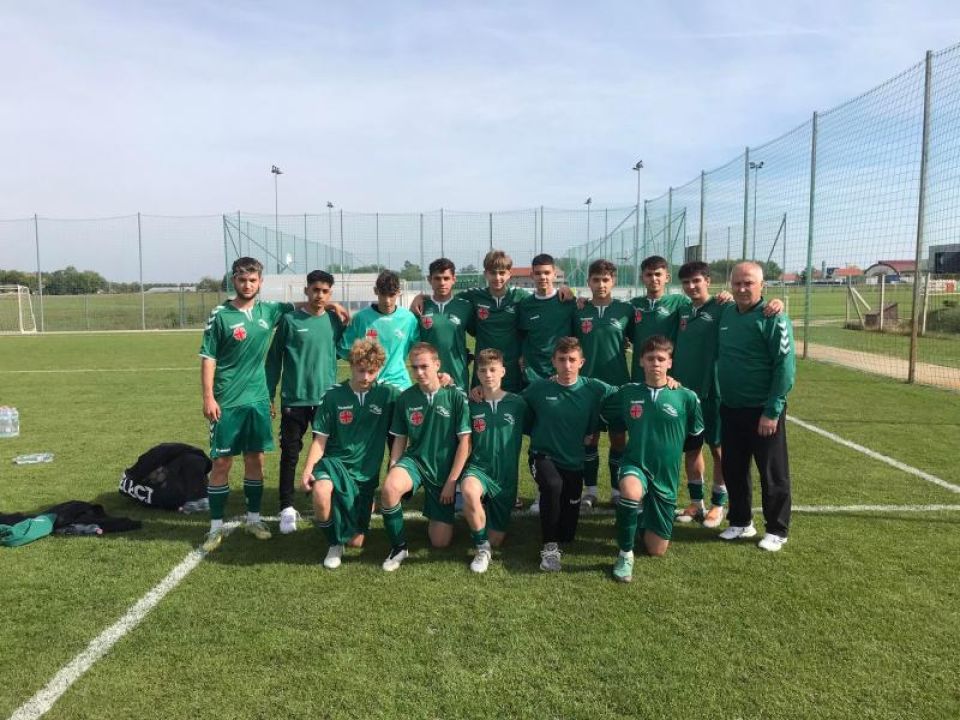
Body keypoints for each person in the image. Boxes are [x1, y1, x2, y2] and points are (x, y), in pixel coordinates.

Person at [198, 257, 295, 552]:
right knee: (222, 462)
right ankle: (215, 526)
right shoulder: (220, 315)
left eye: (253, 280)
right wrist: (208, 396)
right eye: (242, 280)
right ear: (234, 281)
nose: (248, 285)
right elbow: (208, 357)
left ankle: (254, 519)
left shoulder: (270, 311)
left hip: (258, 400)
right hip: (226, 400)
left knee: (256, 460)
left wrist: (334, 306)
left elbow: (306, 307)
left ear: (260, 282)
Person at [602, 336, 704, 582]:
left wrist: (697, 496)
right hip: (635, 464)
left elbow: (695, 446)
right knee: (630, 492)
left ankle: (638, 516)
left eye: (661, 359)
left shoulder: (687, 398)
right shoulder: (627, 393)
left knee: (656, 550)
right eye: (650, 359)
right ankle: (625, 554)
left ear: (670, 363)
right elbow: (606, 413)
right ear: (641, 362)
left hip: (666, 476)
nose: (655, 363)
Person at [299, 339, 399, 569]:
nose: (366, 377)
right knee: (321, 492)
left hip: (365, 473)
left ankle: (357, 507)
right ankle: (334, 543)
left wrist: (444, 381)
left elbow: (418, 395)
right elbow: (320, 440)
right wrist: (307, 470)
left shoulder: (387, 394)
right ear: (351, 365)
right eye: (361, 370)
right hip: (334, 463)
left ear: (379, 369)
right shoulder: (333, 396)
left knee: (356, 542)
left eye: (371, 372)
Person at [716, 262, 795, 552]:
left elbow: (785, 367)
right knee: (734, 468)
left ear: (762, 285)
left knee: (772, 472)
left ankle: (777, 529)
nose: (742, 288)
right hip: (731, 406)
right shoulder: (726, 312)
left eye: (748, 283)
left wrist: (772, 410)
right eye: (737, 283)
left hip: (762, 409)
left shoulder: (774, 318)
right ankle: (741, 522)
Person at [522, 337, 615, 572]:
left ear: (581, 362)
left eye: (572, 360)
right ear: (553, 361)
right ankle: (549, 549)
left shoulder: (593, 388)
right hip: (543, 455)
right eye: (562, 359)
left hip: (574, 461)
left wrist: (668, 381)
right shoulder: (539, 388)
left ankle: (558, 532)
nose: (567, 365)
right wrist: (479, 392)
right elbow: (510, 402)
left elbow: (624, 395)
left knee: (568, 534)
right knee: (552, 485)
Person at [379, 342, 471, 571]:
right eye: (414, 367)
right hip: (416, 462)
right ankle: (399, 547)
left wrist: (452, 482)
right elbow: (400, 438)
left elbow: (465, 443)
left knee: (440, 542)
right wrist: (393, 467)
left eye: (424, 366)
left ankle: (434, 510)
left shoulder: (455, 396)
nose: (419, 372)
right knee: (390, 488)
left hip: (443, 471)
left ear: (437, 365)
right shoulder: (406, 398)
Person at [266, 270, 344, 535]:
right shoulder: (290, 321)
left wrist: (339, 311)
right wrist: (269, 395)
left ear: (330, 293)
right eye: (315, 290)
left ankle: (330, 498)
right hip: (295, 398)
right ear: (306, 290)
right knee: (290, 453)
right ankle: (287, 508)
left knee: (330, 452)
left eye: (325, 291)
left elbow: (345, 349)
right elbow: (273, 360)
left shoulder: (335, 321)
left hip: (326, 400)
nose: (319, 295)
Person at [460, 349, 528, 573]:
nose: (488, 375)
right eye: (482, 370)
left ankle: (483, 521)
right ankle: (482, 548)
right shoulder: (471, 404)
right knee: (469, 490)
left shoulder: (518, 403)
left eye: (492, 369)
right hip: (479, 468)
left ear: (503, 371)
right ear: (477, 374)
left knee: (496, 539)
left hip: (506, 476)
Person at [573, 259, 634, 509]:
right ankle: (591, 491)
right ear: (588, 282)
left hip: (618, 387)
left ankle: (617, 491)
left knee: (619, 439)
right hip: (586, 388)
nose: (601, 284)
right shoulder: (578, 311)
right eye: (596, 280)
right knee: (589, 440)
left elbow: (637, 340)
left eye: (606, 280)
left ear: (613, 281)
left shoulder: (626, 310)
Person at [671, 261, 728, 528]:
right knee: (691, 448)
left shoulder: (722, 307)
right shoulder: (683, 310)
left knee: (718, 448)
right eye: (686, 282)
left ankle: (718, 504)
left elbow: (749, 308)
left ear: (708, 281)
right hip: (685, 393)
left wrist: (776, 303)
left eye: (696, 281)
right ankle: (696, 503)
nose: (691, 286)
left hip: (713, 391)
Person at [339, 270, 419, 389]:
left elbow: (420, 349)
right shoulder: (361, 318)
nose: (387, 300)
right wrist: (363, 367)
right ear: (376, 291)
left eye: (391, 295)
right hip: (369, 383)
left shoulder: (408, 319)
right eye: (383, 294)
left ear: (399, 292)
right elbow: (345, 350)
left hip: (400, 384)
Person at [629, 256, 691, 381]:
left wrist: (723, 296)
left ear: (667, 277)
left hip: (669, 373)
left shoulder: (680, 302)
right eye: (649, 275)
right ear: (642, 278)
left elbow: (703, 306)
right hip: (640, 371)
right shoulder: (633, 304)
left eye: (658, 274)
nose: (653, 278)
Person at [517, 253, 575, 384]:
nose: (542, 277)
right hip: (534, 375)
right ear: (532, 275)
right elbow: (522, 336)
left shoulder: (568, 301)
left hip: (563, 372)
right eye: (538, 273)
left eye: (547, 272)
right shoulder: (525, 305)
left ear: (554, 274)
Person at [417, 258, 474, 390]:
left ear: (454, 279)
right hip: (428, 374)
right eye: (437, 278)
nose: (442, 283)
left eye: (446, 278)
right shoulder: (420, 307)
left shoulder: (465, 307)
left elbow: (480, 333)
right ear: (429, 279)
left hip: (458, 374)